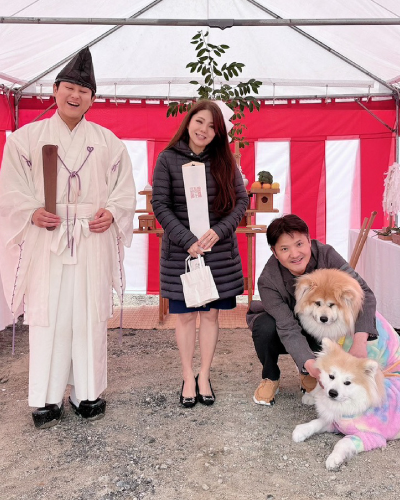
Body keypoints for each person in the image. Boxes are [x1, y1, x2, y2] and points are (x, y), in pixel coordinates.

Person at [0, 48, 137, 428]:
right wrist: (30, 210)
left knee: (88, 314)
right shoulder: (25, 139)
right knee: (47, 316)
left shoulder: (109, 142)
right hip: (48, 237)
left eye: (84, 91)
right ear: (55, 90)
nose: (76, 96)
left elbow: (125, 192)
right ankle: (46, 397)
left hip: (91, 236)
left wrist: (112, 212)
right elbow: (11, 189)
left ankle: (87, 393)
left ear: (93, 98)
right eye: (70, 87)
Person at [151, 100, 250, 408]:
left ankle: (204, 374)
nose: (204, 130)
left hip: (218, 253)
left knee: (210, 315)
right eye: (200, 122)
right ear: (189, 121)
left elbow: (242, 202)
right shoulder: (167, 159)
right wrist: (186, 239)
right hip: (182, 253)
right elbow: (161, 205)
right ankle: (186, 375)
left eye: (212, 126)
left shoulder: (225, 160)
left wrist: (219, 231)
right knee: (184, 317)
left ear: (219, 132)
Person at [246, 214, 378, 406]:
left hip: (317, 324)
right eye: (284, 249)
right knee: (264, 326)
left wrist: (359, 342)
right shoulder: (268, 280)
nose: (294, 254)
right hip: (282, 326)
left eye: (299, 244)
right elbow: (287, 327)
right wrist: (309, 364)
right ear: (274, 252)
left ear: (309, 240)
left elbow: (364, 293)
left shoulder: (327, 255)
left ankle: (306, 373)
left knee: (323, 319)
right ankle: (271, 376)